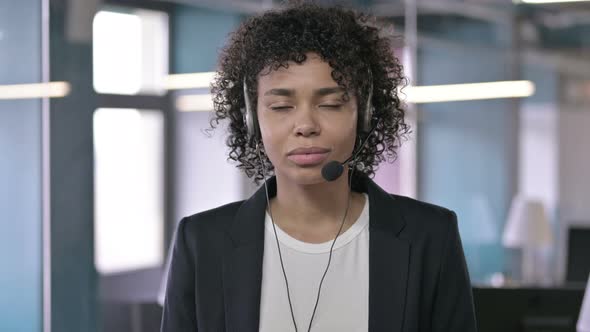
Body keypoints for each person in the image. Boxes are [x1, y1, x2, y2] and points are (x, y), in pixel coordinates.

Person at [161, 2, 477, 332]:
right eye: (281, 106)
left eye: (330, 104)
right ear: (252, 119)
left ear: (365, 113)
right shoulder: (201, 242)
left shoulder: (430, 237)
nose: (306, 125)